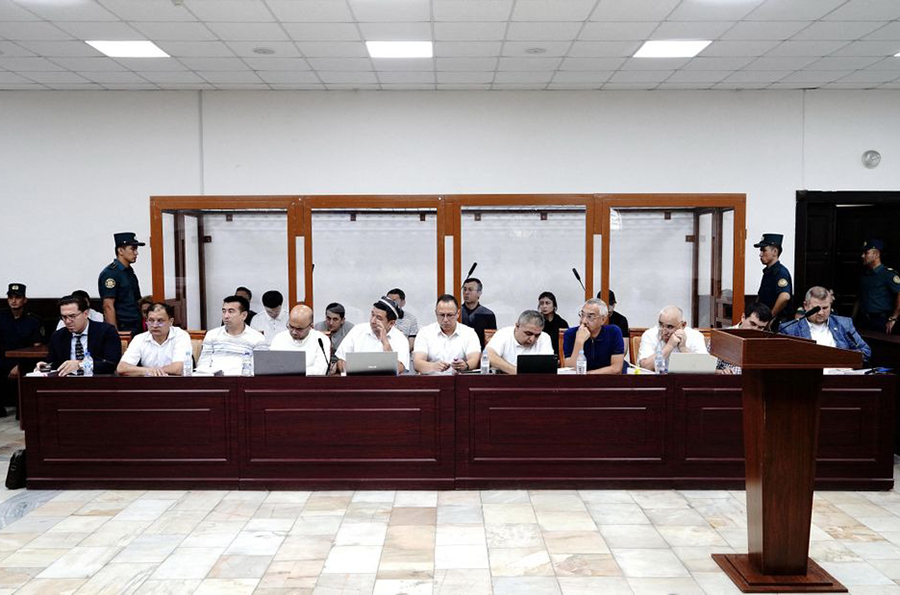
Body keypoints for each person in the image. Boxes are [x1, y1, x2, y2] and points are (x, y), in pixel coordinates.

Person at [780, 286, 871, 365]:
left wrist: (840, 359)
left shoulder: (844, 324)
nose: (821, 313)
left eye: (825, 308)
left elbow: (865, 352)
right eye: (816, 309)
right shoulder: (790, 329)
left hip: (841, 373)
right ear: (806, 306)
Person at [37, 294, 121, 377]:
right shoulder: (58, 336)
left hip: (97, 381)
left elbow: (111, 365)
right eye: (64, 317)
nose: (68, 321)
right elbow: (54, 363)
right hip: (67, 382)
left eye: (72, 316)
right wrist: (45, 366)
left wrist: (80, 364)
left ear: (85, 314)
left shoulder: (106, 331)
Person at [0, 283, 44, 415]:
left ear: (25, 300)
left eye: (17, 297)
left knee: (23, 414)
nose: (13, 301)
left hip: (23, 362)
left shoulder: (33, 321)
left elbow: (37, 350)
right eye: (10, 297)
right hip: (2, 360)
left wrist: (19, 365)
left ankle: (22, 409)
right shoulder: (1, 317)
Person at [335, 297, 410, 374]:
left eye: (379, 318)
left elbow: (399, 368)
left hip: (385, 381)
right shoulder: (357, 330)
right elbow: (341, 360)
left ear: (391, 323)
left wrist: (385, 342)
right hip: (357, 380)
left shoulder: (400, 339)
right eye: (372, 315)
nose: (373, 321)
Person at [116, 302, 193, 376]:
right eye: (151, 321)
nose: (155, 325)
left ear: (171, 322)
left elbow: (178, 368)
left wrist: (151, 371)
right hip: (148, 383)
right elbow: (122, 368)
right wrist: (149, 371)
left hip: (176, 383)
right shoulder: (139, 339)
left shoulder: (181, 336)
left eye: (160, 321)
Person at [196, 295, 265, 375]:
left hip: (243, 380)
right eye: (224, 311)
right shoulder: (212, 335)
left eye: (231, 311)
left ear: (244, 315)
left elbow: (259, 369)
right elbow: (203, 364)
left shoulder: (258, 338)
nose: (226, 316)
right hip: (214, 380)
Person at [412, 294, 481, 375]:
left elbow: (475, 359)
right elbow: (417, 363)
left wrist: (465, 365)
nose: (445, 320)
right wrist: (433, 366)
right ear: (436, 313)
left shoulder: (469, 333)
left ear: (458, 314)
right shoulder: (425, 332)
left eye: (449, 315)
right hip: (432, 380)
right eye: (441, 315)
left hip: (459, 380)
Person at [98, 232, 145, 337]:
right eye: (132, 249)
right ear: (120, 251)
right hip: (123, 326)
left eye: (136, 249)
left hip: (136, 325)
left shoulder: (129, 272)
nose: (136, 253)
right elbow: (108, 306)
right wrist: (114, 334)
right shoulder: (110, 274)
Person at [637, 305, 708, 372]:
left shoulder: (695, 336)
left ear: (683, 325)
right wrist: (669, 346)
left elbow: (705, 368)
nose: (664, 332)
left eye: (670, 327)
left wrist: (683, 348)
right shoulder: (650, 335)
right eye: (661, 325)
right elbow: (644, 367)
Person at [563, 298, 624, 374]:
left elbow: (616, 368)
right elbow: (571, 370)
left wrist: (587, 375)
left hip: (606, 379)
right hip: (579, 380)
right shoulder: (570, 334)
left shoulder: (613, 332)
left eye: (590, 317)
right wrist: (579, 342)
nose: (584, 321)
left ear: (603, 319)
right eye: (582, 315)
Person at [485, 309, 553, 375]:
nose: (532, 339)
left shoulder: (544, 337)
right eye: (528, 333)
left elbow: (547, 366)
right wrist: (517, 372)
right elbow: (489, 355)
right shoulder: (503, 333)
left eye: (537, 335)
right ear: (517, 326)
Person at [269, 304, 331, 376]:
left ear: (311, 326)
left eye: (299, 329)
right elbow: (272, 367)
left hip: (310, 381)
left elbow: (320, 370)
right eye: (291, 327)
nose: (294, 332)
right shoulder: (279, 338)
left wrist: (291, 371)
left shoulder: (321, 340)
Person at [855, 239, 900, 334]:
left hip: (881, 321)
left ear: (876, 254)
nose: (862, 256)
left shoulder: (888, 275)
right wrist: (852, 319)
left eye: (866, 253)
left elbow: (899, 294)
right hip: (863, 320)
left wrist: (894, 318)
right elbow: (859, 298)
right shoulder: (864, 275)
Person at [715, 302, 773, 374]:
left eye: (760, 327)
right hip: (727, 379)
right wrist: (721, 372)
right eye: (752, 324)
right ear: (743, 317)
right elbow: (707, 368)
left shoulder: (764, 341)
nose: (755, 329)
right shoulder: (722, 336)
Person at [753, 233, 792, 325]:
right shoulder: (768, 271)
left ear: (774, 251)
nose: (760, 254)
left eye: (764, 250)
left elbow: (784, 296)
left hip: (778, 323)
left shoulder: (780, 272)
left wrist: (771, 316)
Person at [461, 277, 497, 348]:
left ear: (479, 293)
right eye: (464, 289)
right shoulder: (456, 313)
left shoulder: (488, 314)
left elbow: (491, 341)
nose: (466, 293)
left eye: (470, 290)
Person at [537, 291, 568, 357]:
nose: (544, 306)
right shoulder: (536, 322)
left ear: (554, 305)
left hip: (557, 357)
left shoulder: (561, 323)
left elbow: (566, 343)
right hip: (540, 356)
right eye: (541, 303)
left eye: (547, 303)